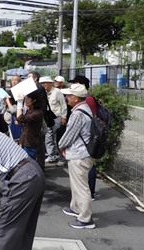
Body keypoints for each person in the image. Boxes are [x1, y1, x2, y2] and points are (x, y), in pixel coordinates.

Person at [58, 83, 96, 229]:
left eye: (68, 96)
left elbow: (70, 134)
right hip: (82, 153)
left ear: (75, 98)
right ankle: (75, 208)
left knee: (81, 187)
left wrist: (60, 146)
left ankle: (86, 219)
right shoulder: (85, 109)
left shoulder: (78, 113)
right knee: (77, 184)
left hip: (80, 154)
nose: (66, 98)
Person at [68, 75, 99, 200]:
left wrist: (62, 146)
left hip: (84, 144)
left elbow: (86, 120)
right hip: (86, 142)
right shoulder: (87, 100)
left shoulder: (87, 101)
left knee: (84, 180)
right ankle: (78, 207)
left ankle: (85, 215)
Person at [40, 76, 67, 163]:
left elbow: (63, 105)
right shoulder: (43, 92)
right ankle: (51, 155)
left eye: (45, 83)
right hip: (48, 117)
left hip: (57, 117)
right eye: (42, 83)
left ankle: (61, 157)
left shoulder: (57, 92)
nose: (43, 85)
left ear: (50, 83)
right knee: (48, 137)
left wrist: (64, 117)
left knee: (57, 138)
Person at [16, 90, 44, 160]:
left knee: (29, 163)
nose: (25, 100)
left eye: (28, 98)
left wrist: (19, 103)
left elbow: (20, 118)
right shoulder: (30, 110)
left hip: (30, 143)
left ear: (34, 100)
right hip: (25, 141)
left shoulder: (37, 113)